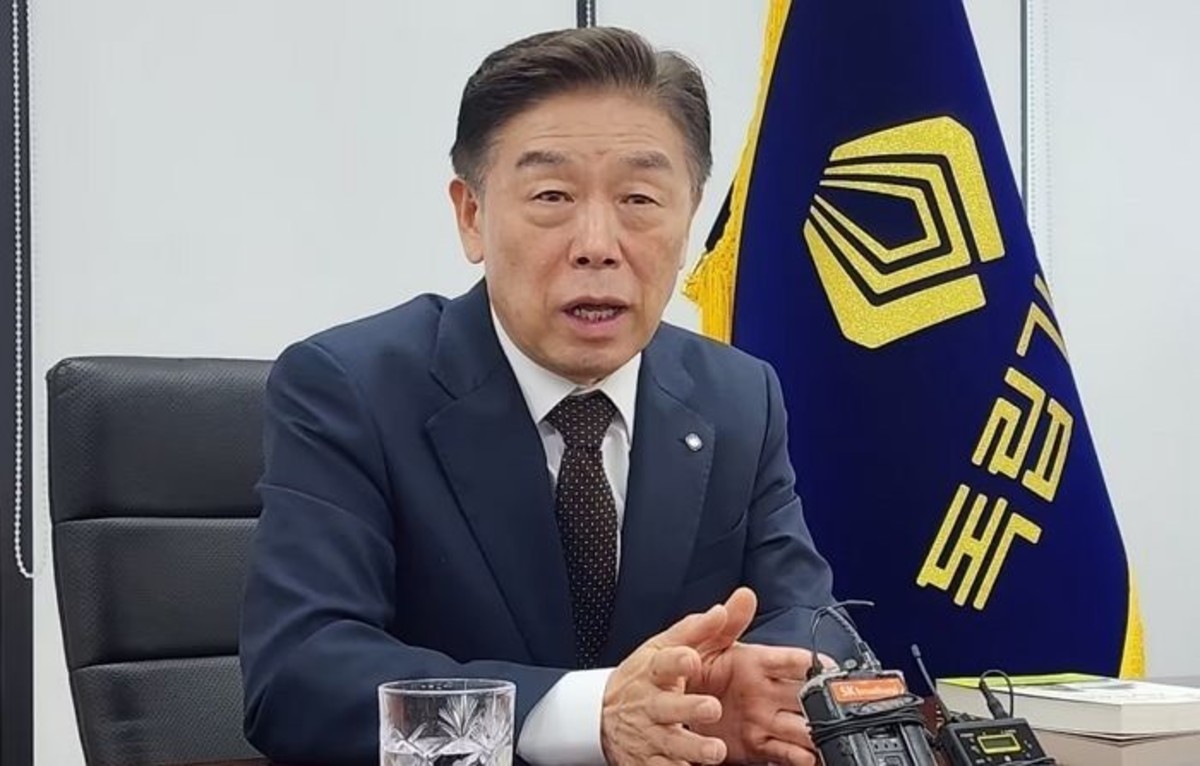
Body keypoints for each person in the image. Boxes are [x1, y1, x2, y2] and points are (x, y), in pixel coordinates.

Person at [240, 26, 852, 766]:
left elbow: (809, 620)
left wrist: (767, 685)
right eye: (552, 196)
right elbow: (299, 676)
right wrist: (590, 715)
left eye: (639, 198)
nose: (597, 244)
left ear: (690, 217)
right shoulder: (350, 389)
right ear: (471, 215)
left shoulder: (739, 396)